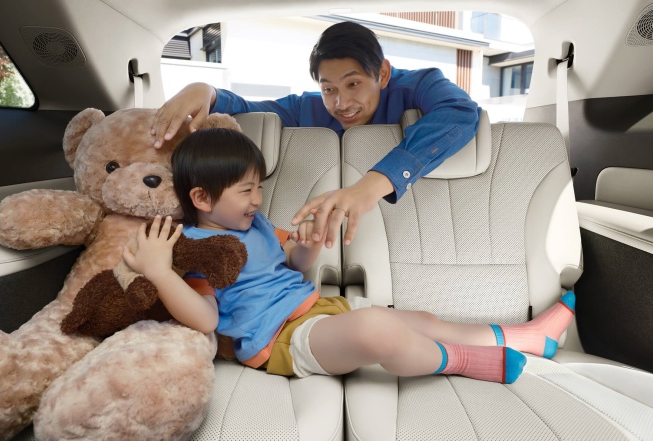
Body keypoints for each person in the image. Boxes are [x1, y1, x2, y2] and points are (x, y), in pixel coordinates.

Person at [123, 128, 577, 382]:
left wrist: (306, 246)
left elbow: (294, 265)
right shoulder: (195, 249)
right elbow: (205, 319)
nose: (258, 199)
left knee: (421, 319)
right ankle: (466, 361)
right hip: (281, 340)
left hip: (320, 311)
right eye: (246, 190)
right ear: (202, 198)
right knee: (379, 328)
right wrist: (161, 273)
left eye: (259, 187)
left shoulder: (255, 223)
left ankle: (524, 336)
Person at [151, 21, 480, 250]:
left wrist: (371, 186)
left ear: (382, 73)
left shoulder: (418, 85)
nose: (341, 103)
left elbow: (460, 112)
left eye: (353, 84)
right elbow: (248, 108)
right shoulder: (307, 109)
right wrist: (205, 91)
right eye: (328, 89)